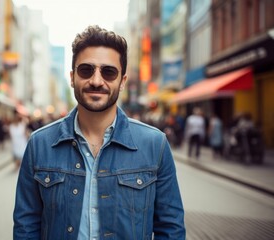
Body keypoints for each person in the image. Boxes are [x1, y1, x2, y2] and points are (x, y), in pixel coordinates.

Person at [13, 25, 185, 239]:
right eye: (86, 70)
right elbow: (26, 226)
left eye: (108, 72)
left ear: (122, 81)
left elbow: (170, 229)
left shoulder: (155, 144)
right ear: (72, 77)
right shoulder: (39, 144)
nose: (96, 80)